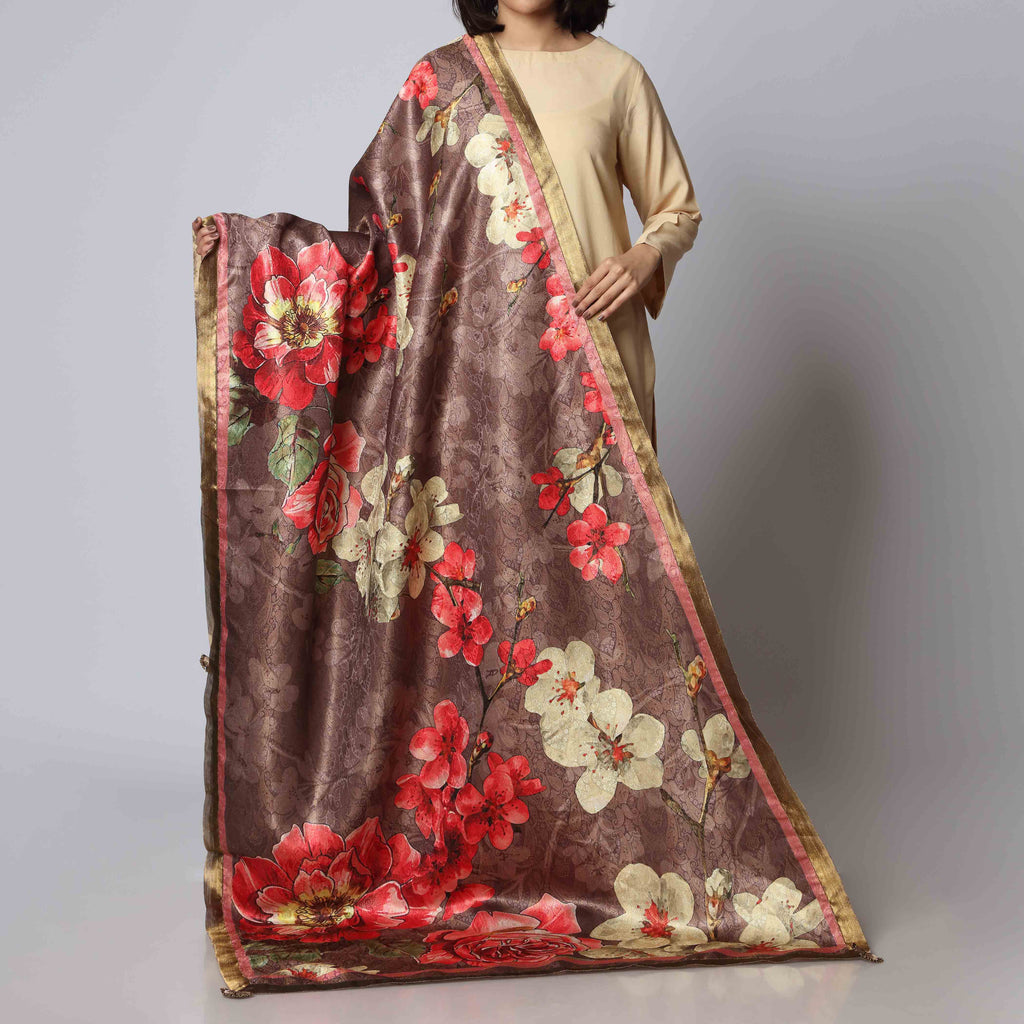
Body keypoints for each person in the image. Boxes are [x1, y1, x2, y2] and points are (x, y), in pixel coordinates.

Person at [194, 0, 702, 453]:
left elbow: (675, 209)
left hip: (597, 340)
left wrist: (643, 258)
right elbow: (387, 243)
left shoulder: (617, 75)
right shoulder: (441, 80)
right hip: (474, 362)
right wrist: (243, 250)